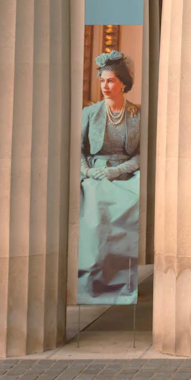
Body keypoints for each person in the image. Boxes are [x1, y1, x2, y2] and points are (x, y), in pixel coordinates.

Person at [77, 51, 141, 304]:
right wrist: (88, 171)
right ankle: (93, 281)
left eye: (111, 81)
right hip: (94, 175)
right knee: (95, 203)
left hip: (126, 174)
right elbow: (78, 150)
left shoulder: (137, 114)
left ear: (123, 84)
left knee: (134, 200)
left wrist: (117, 171)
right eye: (102, 81)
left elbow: (143, 154)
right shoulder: (89, 113)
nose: (105, 86)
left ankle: (124, 282)